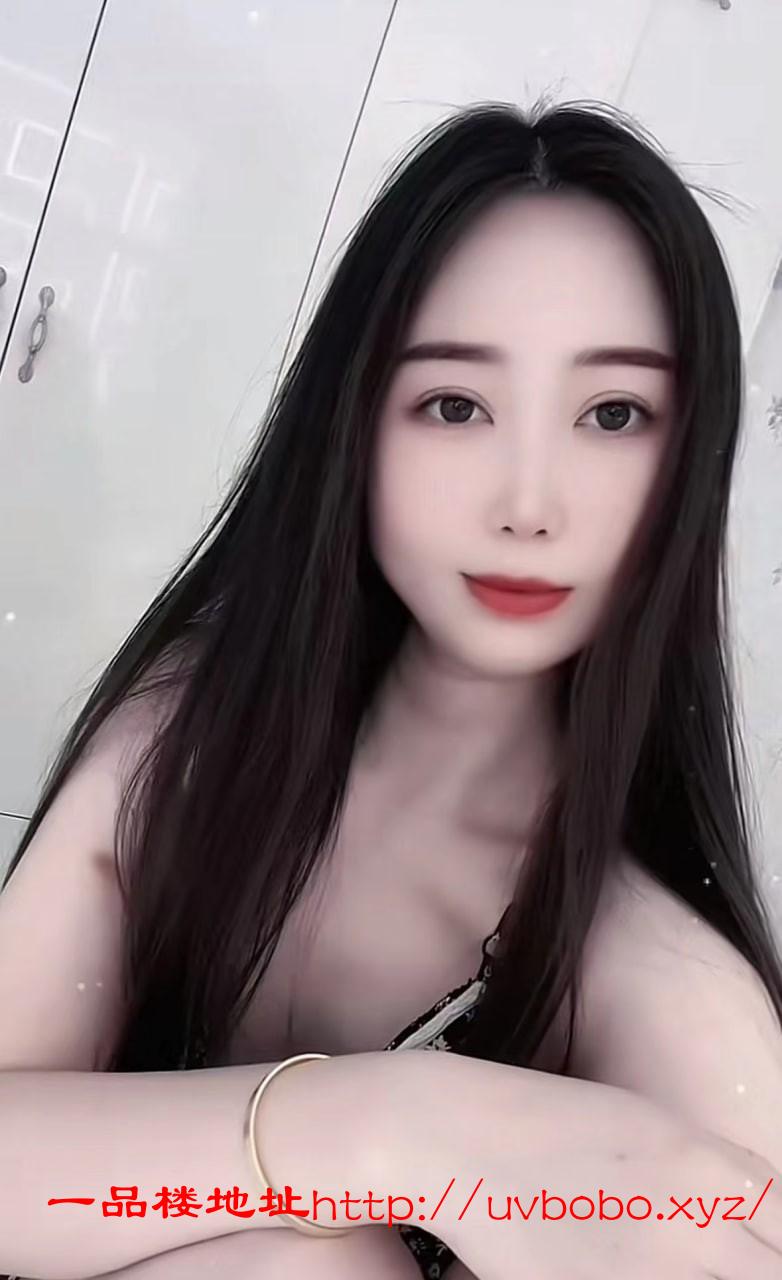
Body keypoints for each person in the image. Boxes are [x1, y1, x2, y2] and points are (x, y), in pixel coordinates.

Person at [1, 98, 781, 1280]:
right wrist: (394, 1128)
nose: (528, 502)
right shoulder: (190, 731)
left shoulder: (669, 1001)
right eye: (454, 405)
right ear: (355, 422)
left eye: (612, 414)